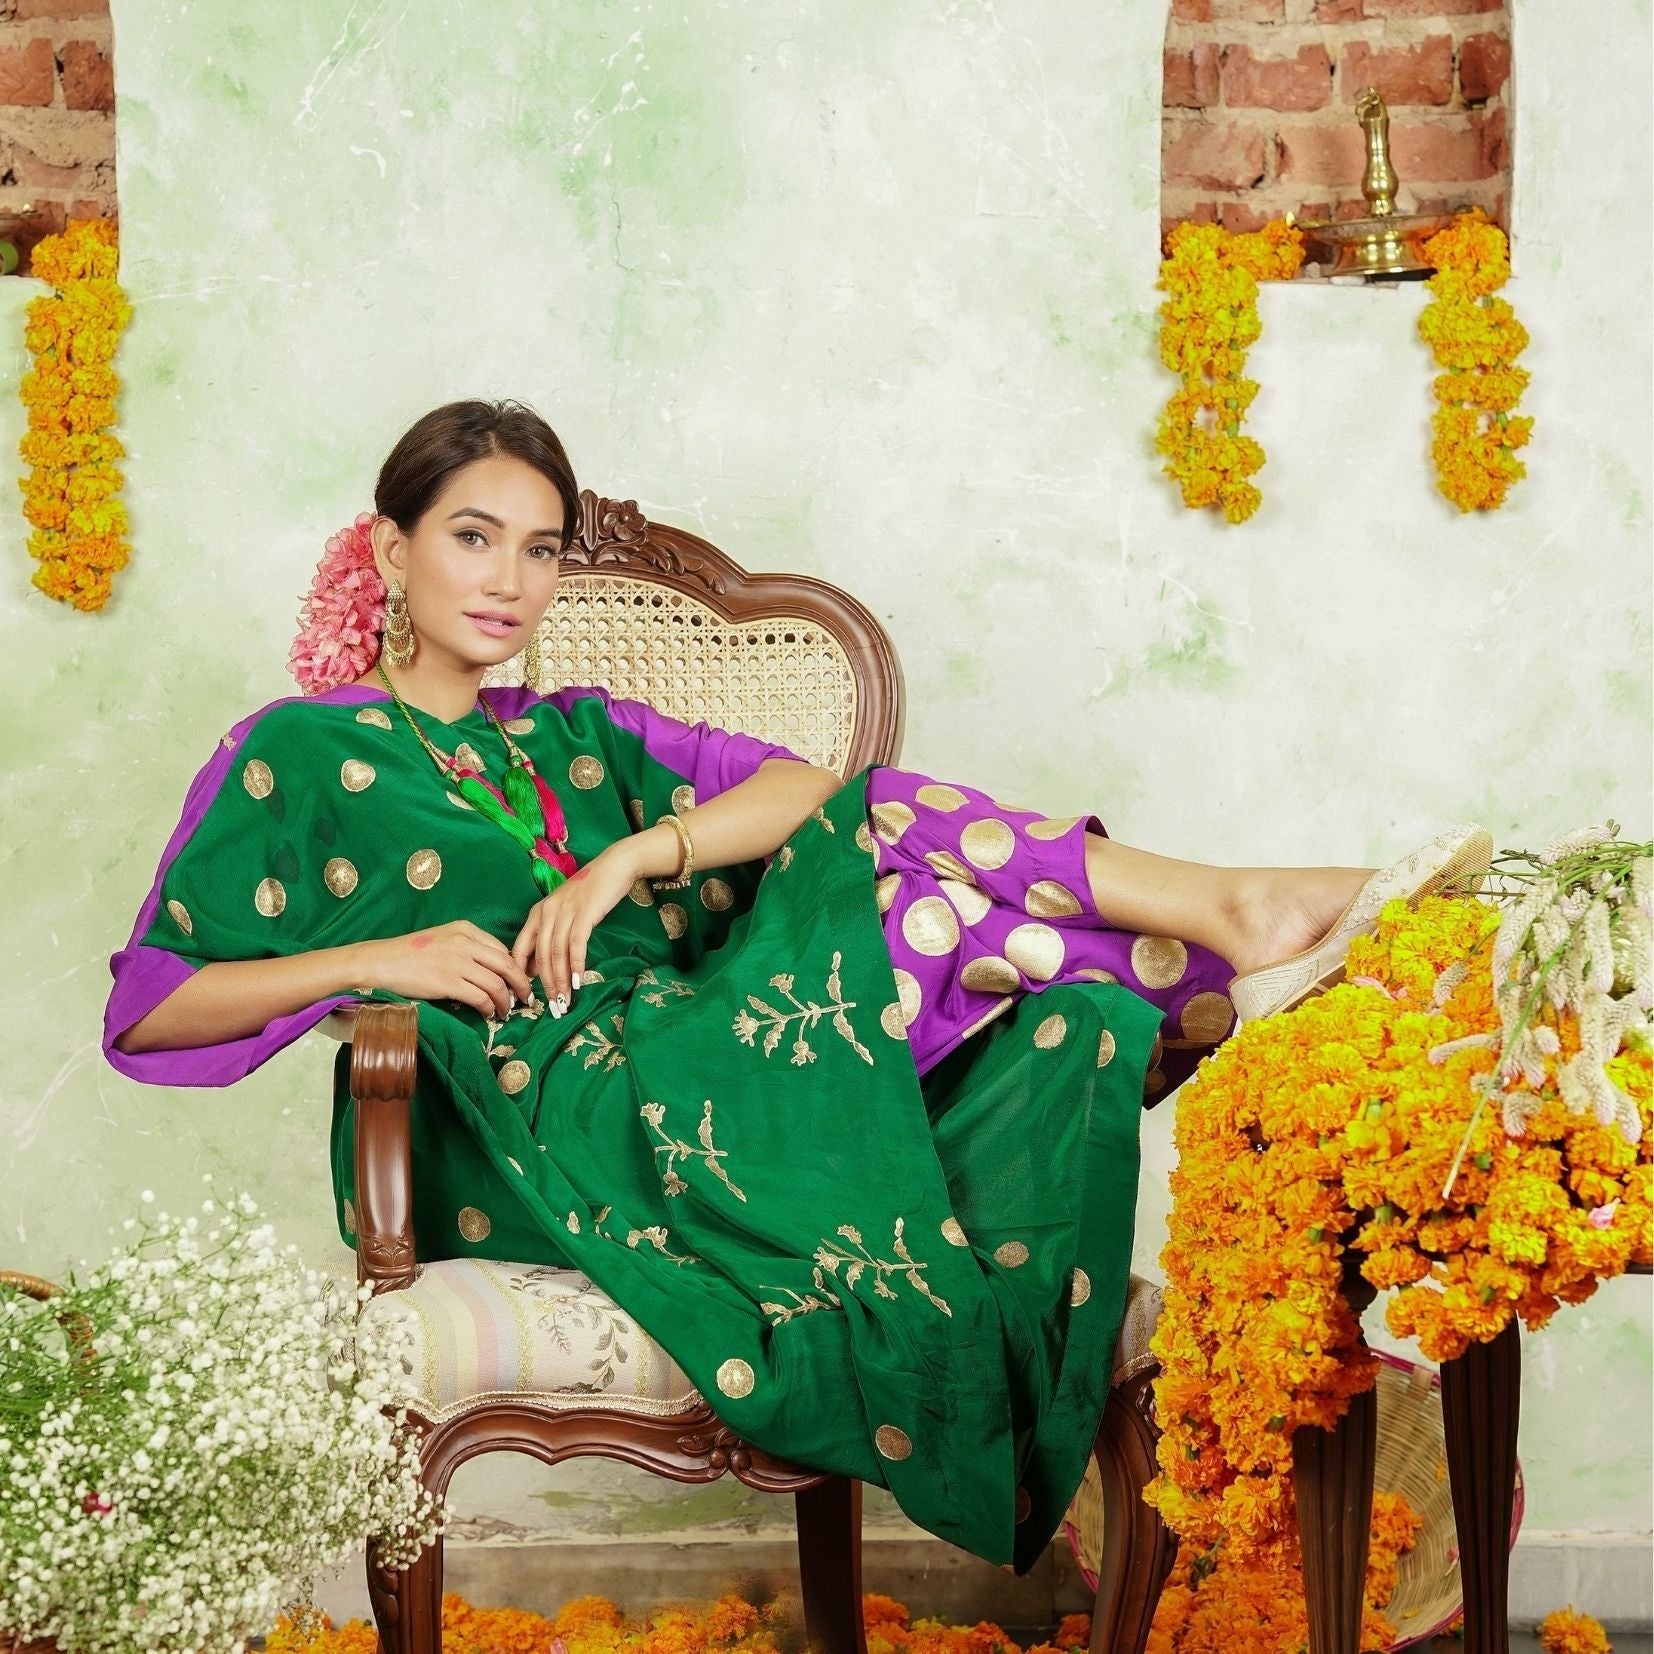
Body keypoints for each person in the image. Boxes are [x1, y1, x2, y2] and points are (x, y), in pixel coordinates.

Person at [103, 399, 1491, 1572]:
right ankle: (1244, 930)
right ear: (391, 550)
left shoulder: (582, 731)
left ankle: (1245, 953)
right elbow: (151, 1005)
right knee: (911, 862)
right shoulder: (296, 750)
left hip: (702, 1049)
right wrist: (375, 959)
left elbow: (808, 792)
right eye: (472, 537)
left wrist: (632, 856)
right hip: (525, 1117)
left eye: (537, 550)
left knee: (966, 917)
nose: (509, 581)